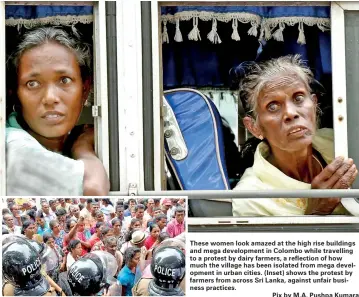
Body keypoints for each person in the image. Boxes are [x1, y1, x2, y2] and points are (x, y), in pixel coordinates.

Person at [232, 55, 357, 216]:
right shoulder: (250, 198)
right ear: (254, 127)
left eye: (298, 98)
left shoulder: (339, 142)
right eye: (273, 106)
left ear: (314, 104)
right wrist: (317, 211)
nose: (290, 113)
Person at [6, 26, 109, 196]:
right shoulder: (12, 145)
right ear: (14, 93)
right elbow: (93, 192)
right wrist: (83, 147)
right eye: (32, 83)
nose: (50, 98)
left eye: (64, 80)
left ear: (85, 89)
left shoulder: (60, 145)